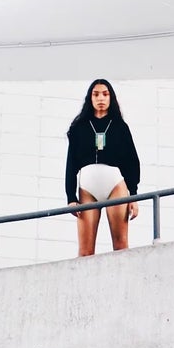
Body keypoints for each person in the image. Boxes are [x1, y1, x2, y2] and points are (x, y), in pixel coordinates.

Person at [65, 78, 141, 256]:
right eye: (96, 94)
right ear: (90, 98)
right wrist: (70, 196)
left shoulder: (120, 127)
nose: (100, 98)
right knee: (85, 251)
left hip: (115, 185)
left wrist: (134, 196)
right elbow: (71, 164)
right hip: (87, 189)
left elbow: (132, 162)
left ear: (111, 98)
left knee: (121, 246)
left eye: (105, 94)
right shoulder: (79, 128)